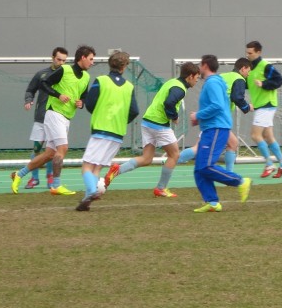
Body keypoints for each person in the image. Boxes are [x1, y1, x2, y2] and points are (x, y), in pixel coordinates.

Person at [103, 62, 200, 198]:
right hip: (158, 124)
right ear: (190, 76)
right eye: (197, 77)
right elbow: (169, 103)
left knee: (146, 158)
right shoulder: (180, 89)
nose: (197, 80)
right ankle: (161, 188)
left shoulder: (172, 82)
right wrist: (174, 116)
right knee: (174, 155)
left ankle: (117, 169)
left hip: (147, 121)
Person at [11, 45, 95, 195]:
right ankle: (56, 185)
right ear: (82, 58)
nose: (92, 62)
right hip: (54, 114)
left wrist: (81, 103)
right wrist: (58, 95)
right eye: (91, 59)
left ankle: (19, 174)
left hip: (66, 117)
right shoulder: (65, 70)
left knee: (50, 154)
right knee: (63, 148)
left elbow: (84, 96)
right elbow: (44, 83)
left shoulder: (86, 77)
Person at [76, 51, 139, 211]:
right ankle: (87, 199)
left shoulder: (101, 81)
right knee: (97, 167)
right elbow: (134, 111)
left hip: (101, 130)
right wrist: (121, 120)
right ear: (124, 67)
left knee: (87, 166)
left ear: (110, 65)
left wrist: (100, 113)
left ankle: (92, 190)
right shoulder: (129, 86)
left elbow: (90, 103)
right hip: (118, 134)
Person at [189, 54, 252, 213]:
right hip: (210, 128)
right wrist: (200, 118)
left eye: (200, 65)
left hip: (216, 128)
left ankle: (241, 181)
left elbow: (217, 106)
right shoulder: (213, 82)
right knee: (199, 169)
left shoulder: (213, 83)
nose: (199, 68)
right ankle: (212, 202)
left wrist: (198, 115)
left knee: (206, 166)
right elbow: (216, 105)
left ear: (205, 65)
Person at [22, 47, 67, 189]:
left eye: (64, 61)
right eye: (59, 59)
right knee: (37, 148)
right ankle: (34, 178)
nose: (61, 63)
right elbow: (30, 89)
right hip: (41, 117)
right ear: (52, 58)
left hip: (56, 118)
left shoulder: (66, 75)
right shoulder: (41, 74)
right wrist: (29, 100)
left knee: (52, 151)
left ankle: (50, 177)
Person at [245, 40, 282, 178]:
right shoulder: (250, 68)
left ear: (258, 52)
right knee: (268, 137)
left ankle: (269, 164)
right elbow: (249, 85)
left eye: (250, 53)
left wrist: (264, 84)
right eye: (247, 53)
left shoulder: (265, 66)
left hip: (267, 105)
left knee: (255, 135)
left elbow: (279, 80)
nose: (247, 55)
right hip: (261, 105)